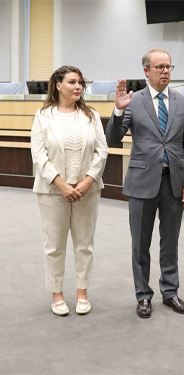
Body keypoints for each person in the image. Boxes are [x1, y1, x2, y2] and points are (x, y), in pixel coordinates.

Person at [105, 48, 184, 319]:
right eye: (160, 67)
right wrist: (118, 111)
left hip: (174, 182)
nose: (165, 71)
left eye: (169, 66)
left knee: (170, 242)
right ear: (146, 71)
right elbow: (112, 139)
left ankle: (170, 292)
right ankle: (143, 295)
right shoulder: (134, 102)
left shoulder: (183, 103)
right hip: (142, 181)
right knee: (140, 243)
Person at [31, 65, 109, 316]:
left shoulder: (91, 115)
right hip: (53, 191)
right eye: (72, 82)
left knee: (85, 244)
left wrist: (87, 181)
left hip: (87, 190)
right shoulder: (43, 116)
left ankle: (82, 292)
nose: (78, 87)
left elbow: (102, 151)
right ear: (58, 85)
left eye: (80, 83)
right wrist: (61, 183)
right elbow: (38, 154)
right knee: (54, 245)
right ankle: (57, 294)